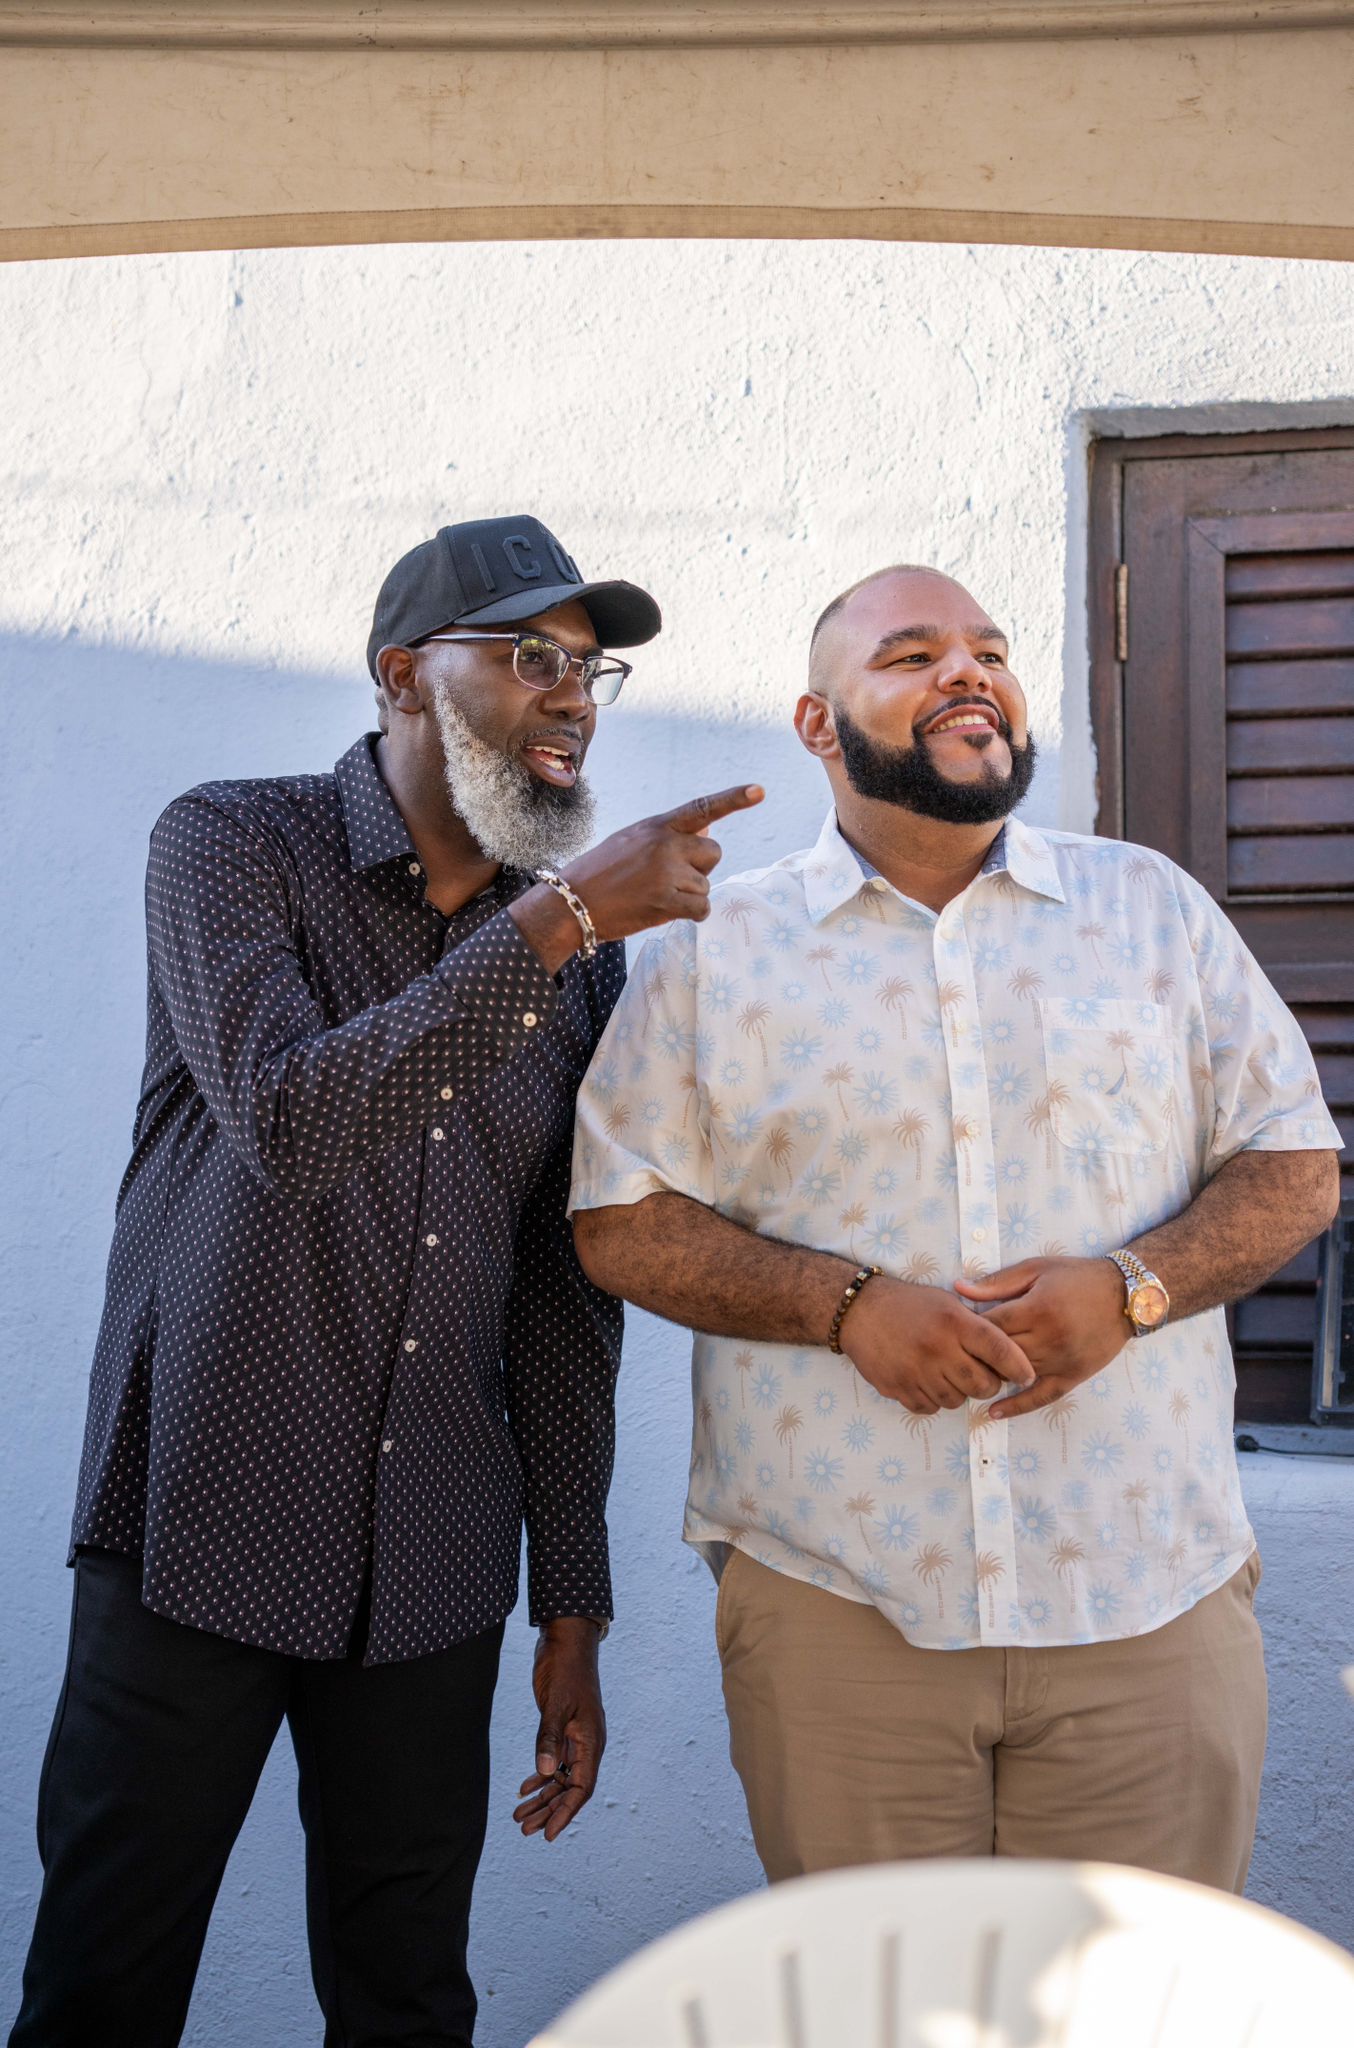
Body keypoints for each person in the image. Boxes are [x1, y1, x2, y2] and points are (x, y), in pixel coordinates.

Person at [10, 513, 761, 2048]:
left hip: (433, 1559)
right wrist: (563, 915)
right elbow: (297, 1122)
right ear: (403, 674)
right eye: (530, 657)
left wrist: (571, 1604)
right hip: (196, 1525)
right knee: (102, 1988)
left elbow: (554, 1293)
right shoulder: (230, 844)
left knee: (409, 1997)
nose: (572, 696)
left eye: (588, 669)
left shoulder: (576, 960)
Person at [569, 561, 1341, 1892]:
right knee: (878, 1995)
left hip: (1144, 1592)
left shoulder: (1148, 908)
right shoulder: (711, 950)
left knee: (1144, 1996)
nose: (967, 672)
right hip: (838, 1600)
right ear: (817, 725)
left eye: (987, 650)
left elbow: (1294, 1164)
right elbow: (618, 1222)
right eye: (911, 654)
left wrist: (1135, 1286)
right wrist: (844, 1307)